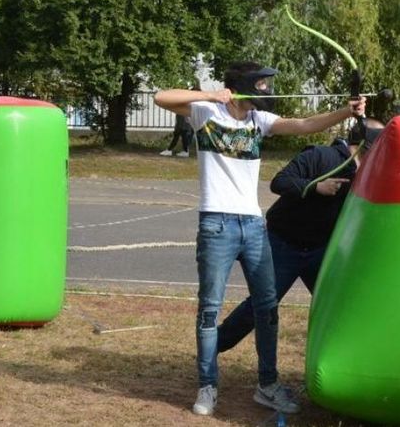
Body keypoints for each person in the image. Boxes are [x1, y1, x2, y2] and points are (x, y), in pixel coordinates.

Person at [154, 62, 364, 418]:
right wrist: (212, 95)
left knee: (267, 307)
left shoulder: (259, 121)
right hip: (216, 223)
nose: (267, 90)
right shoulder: (206, 112)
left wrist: (347, 111)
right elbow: (161, 97)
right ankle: (208, 386)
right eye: (262, 84)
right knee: (209, 308)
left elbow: (303, 124)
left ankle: (267, 385)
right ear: (243, 85)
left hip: (253, 226)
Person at [214, 117, 385, 357]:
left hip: (320, 250)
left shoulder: (366, 174)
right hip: (283, 244)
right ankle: (212, 347)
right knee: (262, 305)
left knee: (337, 305)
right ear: (368, 144)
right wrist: (316, 186)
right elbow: (279, 182)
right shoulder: (320, 156)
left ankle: (345, 361)